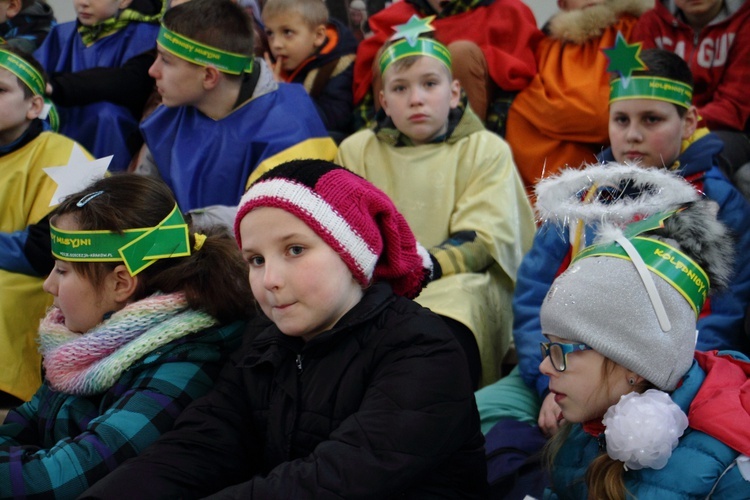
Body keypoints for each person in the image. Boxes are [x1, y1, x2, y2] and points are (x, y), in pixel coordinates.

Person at [79, 159, 488, 498]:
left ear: (352, 256)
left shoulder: (422, 350)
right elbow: (200, 445)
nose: (269, 279)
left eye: (295, 250)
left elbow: (332, 482)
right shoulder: (264, 343)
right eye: (255, 259)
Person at [502, 48, 750, 444]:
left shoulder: (717, 205)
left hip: (653, 380)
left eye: (651, 119)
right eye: (621, 119)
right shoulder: (580, 199)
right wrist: (543, 376)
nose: (633, 134)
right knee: (483, 419)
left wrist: (639, 385)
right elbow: (533, 294)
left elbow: (720, 319)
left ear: (687, 122)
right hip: (557, 365)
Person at [0, 174, 253, 498]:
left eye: (63, 270)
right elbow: (20, 428)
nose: (48, 285)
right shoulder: (81, 344)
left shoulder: (189, 358)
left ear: (121, 283)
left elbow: (59, 481)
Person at [336, 25, 535, 389]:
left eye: (430, 84)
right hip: (380, 280)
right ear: (383, 101)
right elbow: (346, 228)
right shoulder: (356, 150)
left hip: (459, 280)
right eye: (400, 88)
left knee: (454, 315)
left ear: (455, 93)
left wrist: (421, 266)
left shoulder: (485, 150)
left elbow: (485, 236)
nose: (416, 99)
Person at [540, 201, 750, 499]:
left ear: (634, 363)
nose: (544, 367)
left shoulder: (728, 467)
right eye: (547, 347)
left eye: (562, 349)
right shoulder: (584, 424)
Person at [138, 0, 337, 223]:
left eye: (166, 60)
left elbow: (274, 223)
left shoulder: (289, 130)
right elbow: (143, 198)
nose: (152, 70)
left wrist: (183, 227)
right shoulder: (170, 116)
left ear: (209, 77)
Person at [0, 46, 90, 405]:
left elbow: (45, 250)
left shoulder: (67, 155)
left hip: (45, 282)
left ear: (34, 106)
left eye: (0, 90)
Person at [505, 0, 652, 195]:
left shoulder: (635, 31)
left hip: (608, 189)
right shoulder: (547, 44)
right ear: (562, 3)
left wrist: (553, 110)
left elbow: (603, 115)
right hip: (535, 190)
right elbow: (520, 114)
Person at [351, 0, 543, 134]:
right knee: (386, 55)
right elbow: (366, 103)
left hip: (472, 143)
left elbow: (517, 95)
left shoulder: (508, 11)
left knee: (461, 53)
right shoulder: (394, 17)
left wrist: (487, 148)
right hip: (399, 144)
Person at [632, 0, 750, 195]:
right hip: (661, 123)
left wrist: (677, 125)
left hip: (727, 131)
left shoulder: (745, 23)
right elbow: (640, 93)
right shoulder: (651, 23)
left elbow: (734, 106)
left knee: (700, 159)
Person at [32, 0, 161, 171]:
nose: (83, 3)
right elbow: (34, 78)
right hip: (59, 129)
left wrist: (60, 85)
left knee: (106, 114)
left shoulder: (146, 37)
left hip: (111, 135)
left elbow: (129, 85)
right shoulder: (60, 33)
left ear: (124, 1)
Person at [262, 0, 358, 139]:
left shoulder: (338, 65)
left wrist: (284, 92)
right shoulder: (272, 62)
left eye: (287, 32)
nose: (276, 44)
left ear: (318, 36)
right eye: (270, 33)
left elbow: (334, 121)